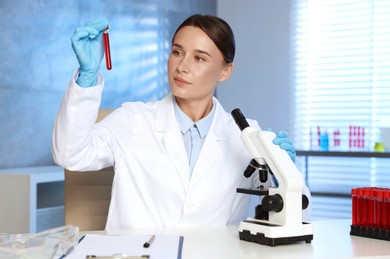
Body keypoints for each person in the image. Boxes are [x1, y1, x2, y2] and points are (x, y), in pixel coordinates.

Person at [52, 14, 311, 230]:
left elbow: (299, 215)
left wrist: (284, 176)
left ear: (225, 71)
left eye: (199, 58)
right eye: (177, 52)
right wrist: (87, 77)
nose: (182, 66)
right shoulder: (132, 119)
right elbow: (70, 154)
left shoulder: (246, 135)